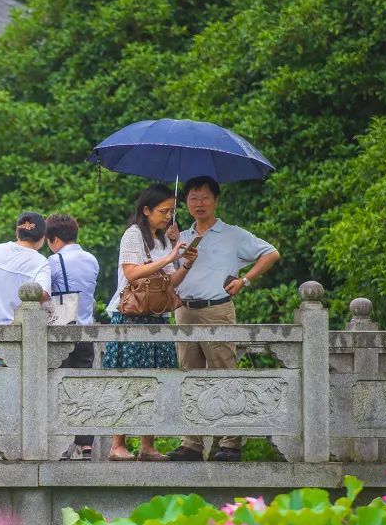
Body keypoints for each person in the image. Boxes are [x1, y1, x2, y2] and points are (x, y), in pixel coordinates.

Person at [168, 175, 280, 462]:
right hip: (184, 310)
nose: (199, 203)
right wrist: (170, 244)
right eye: (193, 197)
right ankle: (191, 443)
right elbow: (170, 272)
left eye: (205, 197)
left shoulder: (233, 234)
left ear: (216, 200)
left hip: (217, 308)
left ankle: (230, 442)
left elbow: (271, 253)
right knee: (189, 375)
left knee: (224, 374)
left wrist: (246, 280)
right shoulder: (179, 236)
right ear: (187, 202)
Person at [103, 184, 198, 461]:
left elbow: (170, 283)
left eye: (171, 211)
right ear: (146, 210)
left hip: (157, 316)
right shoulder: (133, 235)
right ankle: (117, 444)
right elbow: (132, 274)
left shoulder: (164, 240)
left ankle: (147, 445)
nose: (168, 216)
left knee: (156, 378)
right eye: (163, 211)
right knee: (127, 379)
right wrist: (170, 257)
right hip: (130, 317)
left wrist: (186, 263)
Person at [0, 211, 51, 461]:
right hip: (14, 335)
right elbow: (44, 293)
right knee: (12, 387)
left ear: (17, 231)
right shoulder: (39, 263)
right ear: (42, 238)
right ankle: (8, 444)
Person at [45, 214, 100, 460]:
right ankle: (86, 445)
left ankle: (64, 444)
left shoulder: (53, 261)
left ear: (53, 238)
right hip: (86, 331)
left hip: (62, 333)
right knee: (83, 388)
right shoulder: (92, 259)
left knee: (61, 387)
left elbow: (44, 294)